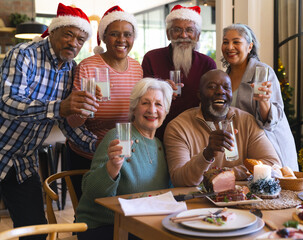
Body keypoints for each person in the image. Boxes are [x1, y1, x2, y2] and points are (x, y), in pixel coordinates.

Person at [0, 3, 98, 239]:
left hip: (23, 161)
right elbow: (7, 102)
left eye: (81, 39)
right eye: (69, 34)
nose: (74, 43)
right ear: (53, 31)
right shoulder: (24, 54)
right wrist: (59, 107)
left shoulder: (71, 69)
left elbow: (66, 123)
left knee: (35, 232)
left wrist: (99, 146)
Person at [76, 78, 173, 240]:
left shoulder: (160, 145)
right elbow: (90, 191)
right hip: (105, 226)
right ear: (134, 108)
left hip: (142, 225)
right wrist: (112, 167)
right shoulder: (118, 138)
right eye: (145, 103)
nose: (152, 110)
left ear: (166, 111)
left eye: (158, 104)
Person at [66, 5, 143, 200]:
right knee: (87, 214)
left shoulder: (137, 68)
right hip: (87, 155)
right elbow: (73, 122)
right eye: (114, 34)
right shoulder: (88, 66)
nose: (122, 40)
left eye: (127, 34)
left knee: (119, 212)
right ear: (104, 37)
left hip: (124, 155)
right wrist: (84, 108)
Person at [164, 69, 281, 187]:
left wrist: (226, 174)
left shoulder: (247, 121)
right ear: (199, 94)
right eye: (212, 87)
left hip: (242, 200)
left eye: (226, 87)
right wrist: (207, 154)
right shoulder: (178, 127)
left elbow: (273, 165)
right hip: (197, 202)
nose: (220, 91)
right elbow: (179, 180)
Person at [221, 23, 299, 171]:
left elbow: (270, 123)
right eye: (225, 42)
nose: (229, 47)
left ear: (249, 47)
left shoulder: (263, 72)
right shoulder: (224, 77)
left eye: (236, 42)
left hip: (269, 146)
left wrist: (264, 102)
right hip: (241, 147)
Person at [142, 4, 217, 140]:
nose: (183, 35)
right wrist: (159, 89)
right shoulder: (151, 58)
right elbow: (141, 97)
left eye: (189, 30)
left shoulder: (208, 64)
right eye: (177, 29)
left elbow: (212, 102)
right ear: (168, 34)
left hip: (194, 132)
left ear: (198, 36)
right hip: (157, 132)